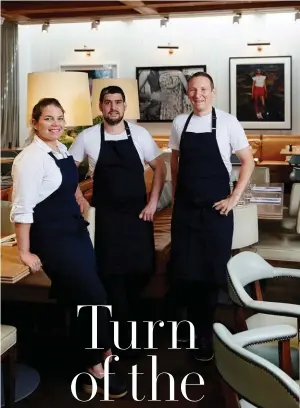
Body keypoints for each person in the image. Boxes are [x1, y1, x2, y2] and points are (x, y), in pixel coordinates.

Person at [10, 98, 127, 398]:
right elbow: (22, 209)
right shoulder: (29, 159)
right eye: (48, 118)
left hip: (74, 233)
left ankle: (93, 355)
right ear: (35, 122)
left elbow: (67, 185)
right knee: (94, 298)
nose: (56, 124)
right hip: (52, 239)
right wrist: (25, 251)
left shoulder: (60, 150)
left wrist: (81, 199)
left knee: (83, 299)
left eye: (60, 118)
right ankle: (95, 364)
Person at [69, 86, 166, 350]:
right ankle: (117, 340)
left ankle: (133, 335)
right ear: (100, 107)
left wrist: (154, 202)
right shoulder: (88, 137)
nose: (113, 107)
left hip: (138, 216)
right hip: (106, 219)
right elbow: (66, 170)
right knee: (111, 278)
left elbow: (161, 166)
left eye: (118, 102)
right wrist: (79, 197)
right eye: (108, 102)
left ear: (124, 106)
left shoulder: (140, 134)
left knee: (140, 274)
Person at [168, 72, 254, 362]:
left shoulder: (228, 122)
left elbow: (248, 161)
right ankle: (190, 327)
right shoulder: (180, 123)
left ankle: (204, 334)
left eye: (203, 89)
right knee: (184, 271)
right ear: (188, 94)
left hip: (216, 211)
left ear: (212, 92)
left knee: (210, 273)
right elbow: (174, 159)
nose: (198, 95)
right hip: (186, 211)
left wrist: (234, 198)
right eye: (193, 90)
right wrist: (177, 194)